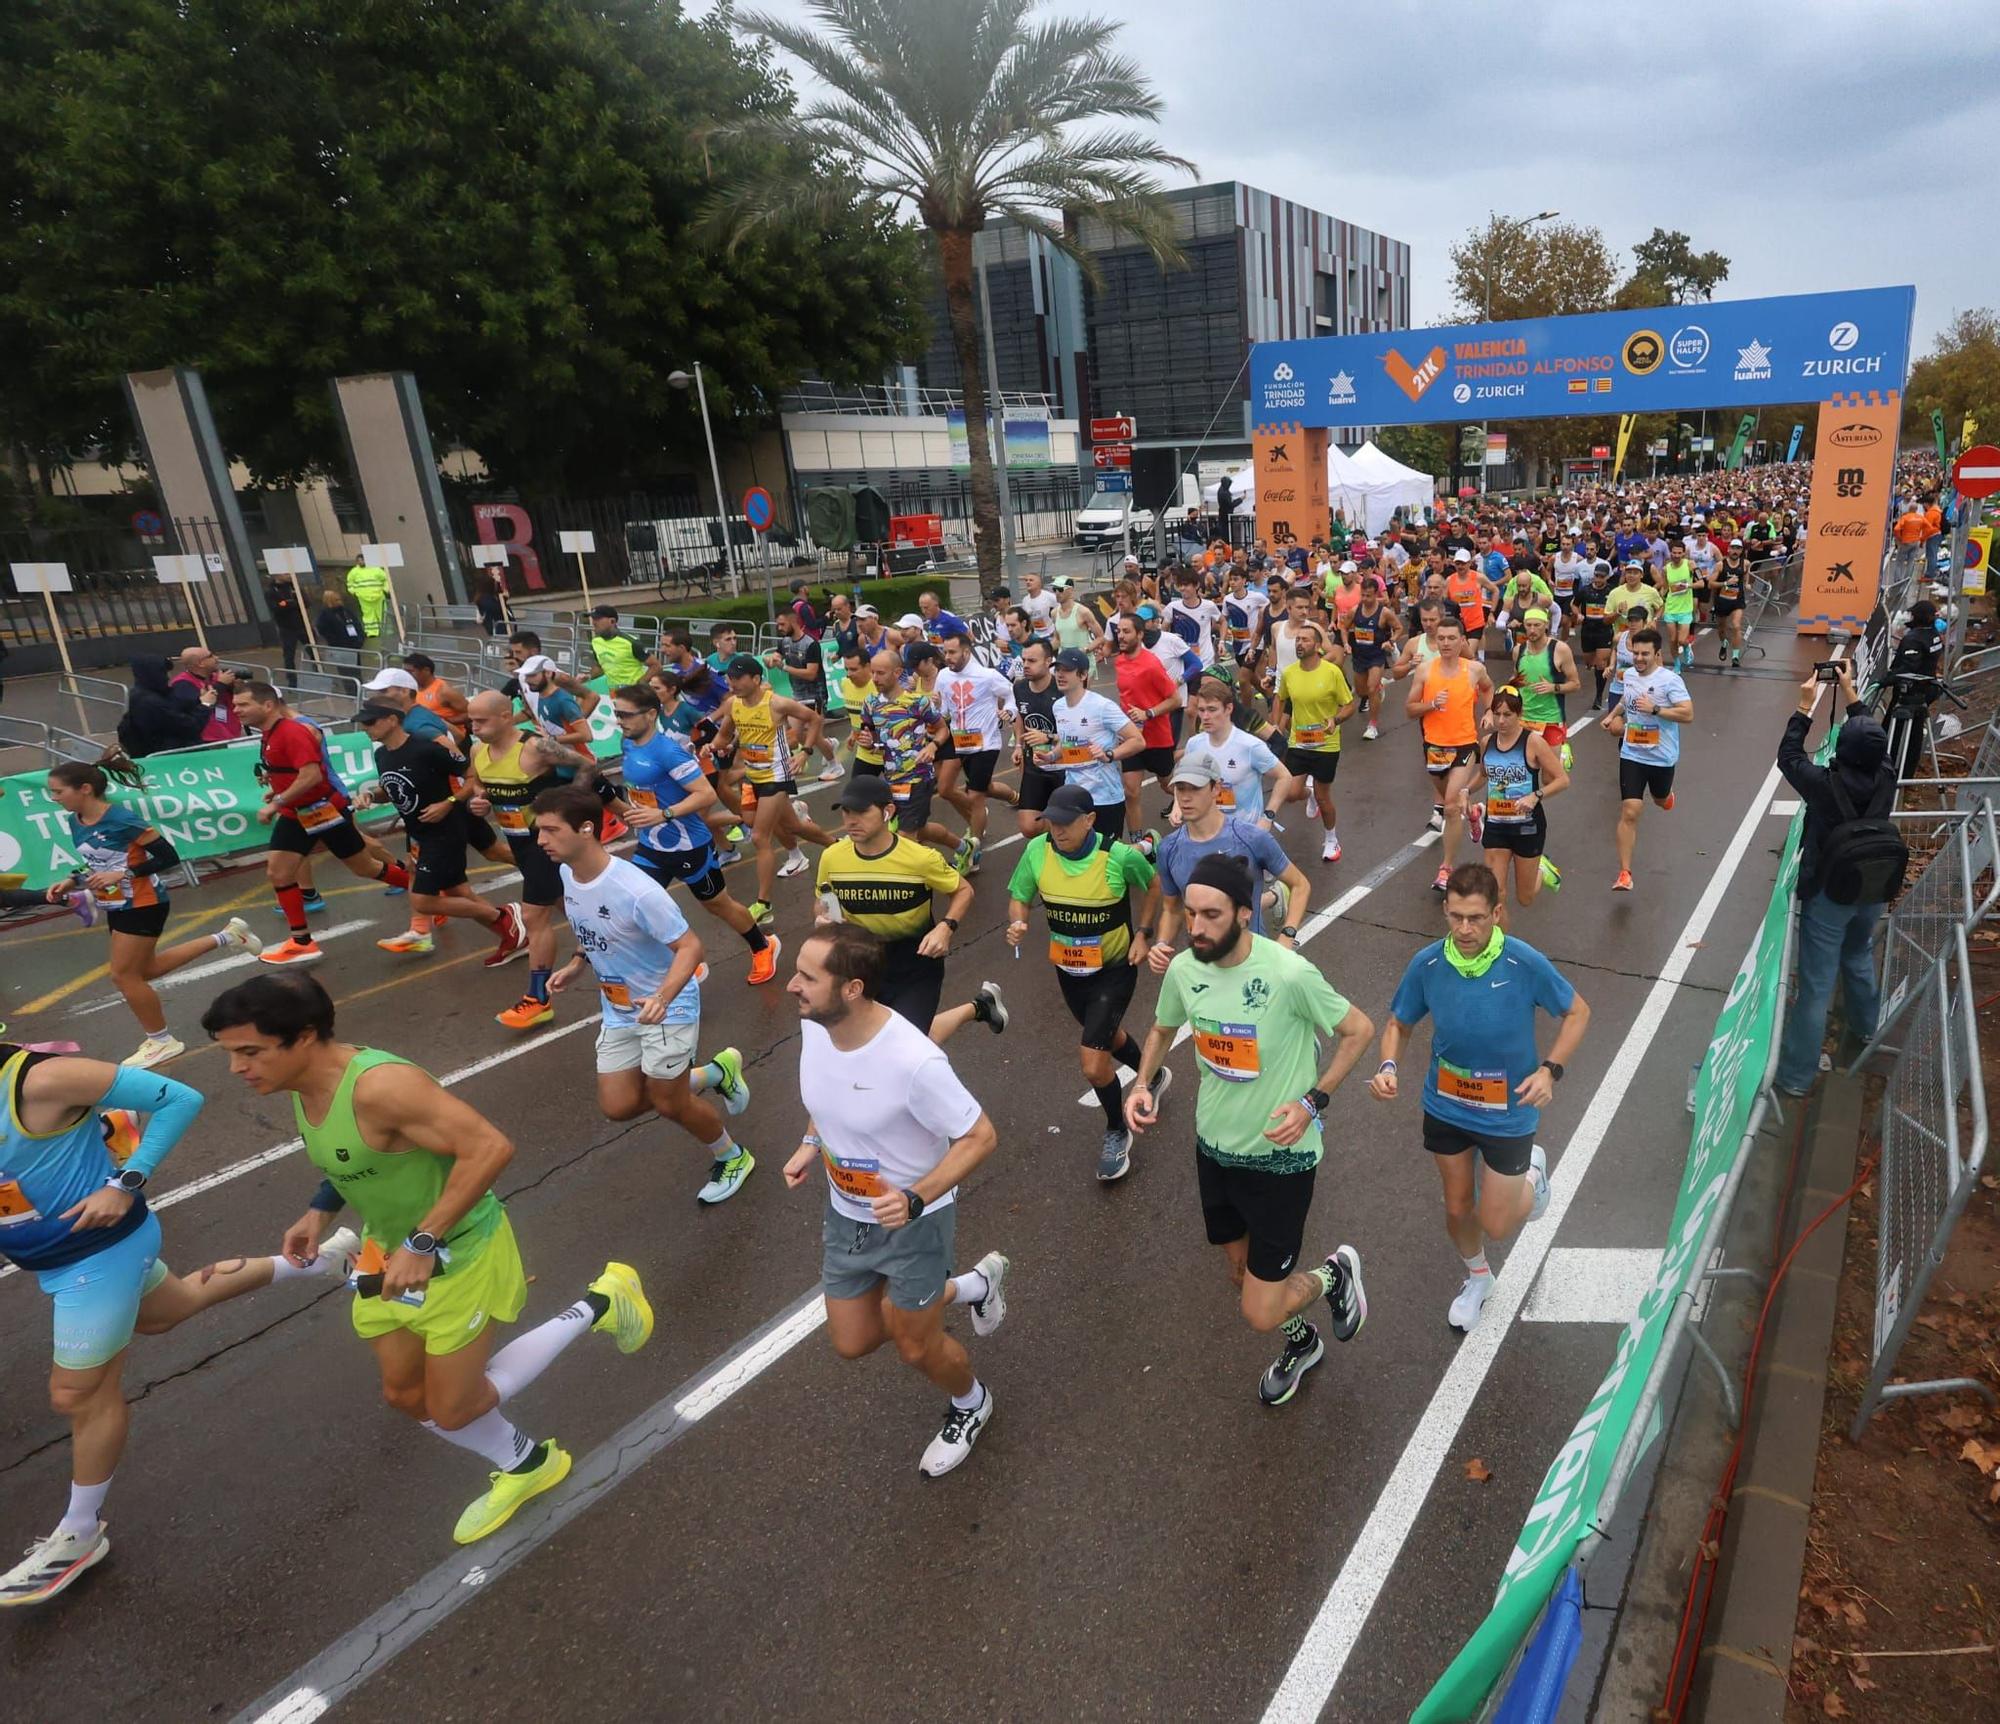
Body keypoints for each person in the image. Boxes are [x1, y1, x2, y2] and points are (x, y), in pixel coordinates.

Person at [206, 974, 654, 1544]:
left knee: (453, 1409)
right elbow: (356, 1158)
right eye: (231, 1054)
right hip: (386, 1256)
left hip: (458, 1251)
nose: (237, 1068)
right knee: (404, 1392)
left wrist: (423, 1241)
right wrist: (318, 1213)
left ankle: (602, 1302)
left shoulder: (383, 1087)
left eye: (250, 1051)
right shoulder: (298, 1083)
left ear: (305, 1035)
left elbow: (490, 1147)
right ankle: (528, 1464)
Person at [0, 1040, 362, 1605]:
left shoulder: (41, 1079)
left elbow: (179, 1097)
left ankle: (80, 1532)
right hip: (58, 1260)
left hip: (99, 1256)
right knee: (170, 1308)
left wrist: (127, 1182)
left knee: (78, 1393)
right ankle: (325, 1263)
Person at [1124, 855, 1373, 1404]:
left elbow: (1358, 1029)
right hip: (1214, 1151)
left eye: (1211, 915)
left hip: (1282, 1161)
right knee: (1241, 1273)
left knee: (1259, 1311)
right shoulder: (1185, 970)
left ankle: (1334, 1275)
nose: (1196, 927)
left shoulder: (1288, 973)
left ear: (1244, 912)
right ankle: (1303, 1342)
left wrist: (1313, 1100)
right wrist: (1141, 1084)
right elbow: (1163, 1029)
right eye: (1191, 914)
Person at [783, 924, 1009, 1476]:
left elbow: (980, 1136)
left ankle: (971, 1402)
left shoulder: (914, 1062)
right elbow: (827, 1093)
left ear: (852, 989)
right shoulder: (816, 1024)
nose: (792, 985)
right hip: (847, 1215)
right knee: (852, 1340)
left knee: (915, 1345)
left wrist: (915, 1197)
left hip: (915, 1223)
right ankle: (973, 1286)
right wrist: (811, 1143)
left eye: (807, 977)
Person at [1370, 863, 1591, 1332]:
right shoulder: (1428, 964)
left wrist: (1550, 1070)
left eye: (1475, 918)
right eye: (1455, 917)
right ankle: (1478, 1278)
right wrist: (1388, 1066)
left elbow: (1577, 1012)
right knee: (1456, 1207)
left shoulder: (1524, 962)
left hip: (1508, 1114)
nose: (1465, 929)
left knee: (1497, 1223)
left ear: (1496, 912)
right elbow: (1398, 1023)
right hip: (1446, 1104)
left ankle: (1533, 1176)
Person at [533, 786, 755, 1205]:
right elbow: (588, 924)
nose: (541, 840)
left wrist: (663, 998)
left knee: (670, 1103)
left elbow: (690, 947)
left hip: (666, 1007)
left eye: (550, 830)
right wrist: (578, 962)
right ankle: (715, 1074)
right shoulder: (568, 874)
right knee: (618, 1106)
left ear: (586, 829)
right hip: (618, 1008)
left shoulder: (638, 890)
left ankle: (732, 1156)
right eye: (538, 830)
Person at [45, 758, 261, 1066]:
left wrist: (124, 874)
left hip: (144, 902)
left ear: (85, 789)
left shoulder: (122, 819)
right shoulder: (75, 820)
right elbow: (97, 862)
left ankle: (162, 1041)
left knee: (123, 975)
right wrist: (72, 880)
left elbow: (167, 857)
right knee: (146, 970)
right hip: (116, 903)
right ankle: (229, 936)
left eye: (58, 791)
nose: (54, 798)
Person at [1005, 782, 1164, 1181]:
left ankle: (1117, 1129)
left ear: (1090, 820)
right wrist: (1018, 921)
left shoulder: (1119, 856)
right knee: (1107, 1037)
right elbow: (1019, 895)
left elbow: (1153, 886)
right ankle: (1154, 1074)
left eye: (1065, 822)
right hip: (1069, 970)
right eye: (1051, 822)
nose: (1056, 830)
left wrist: (1144, 934)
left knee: (1094, 1064)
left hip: (1115, 968)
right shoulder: (1037, 850)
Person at [1774, 665, 1900, 1095]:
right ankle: (1866, 1029)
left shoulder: (1824, 784)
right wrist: (1851, 692)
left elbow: (1789, 757)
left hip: (1829, 892)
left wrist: (1804, 707)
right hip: (1873, 885)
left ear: (1841, 750)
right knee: (1859, 955)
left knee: (1816, 985)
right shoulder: (1887, 775)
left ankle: (1796, 1077)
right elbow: (1876, 742)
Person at [607, 682, 779, 984]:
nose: (620, 721)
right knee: (639, 906)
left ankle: (763, 945)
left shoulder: (669, 753)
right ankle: (685, 962)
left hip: (690, 846)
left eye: (626, 715)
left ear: (650, 714)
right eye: (617, 714)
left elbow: (705, 794)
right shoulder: (628, 744)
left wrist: (663, 814)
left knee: (717, 905)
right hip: (651, 846)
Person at [814, 775, 1008, 1042]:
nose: (851, 821)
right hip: (861, 965)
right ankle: (981, 1007)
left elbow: (963, 890)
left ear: (888, 811)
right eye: (846, 812)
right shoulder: (832, 857)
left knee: (903, 1042)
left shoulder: (920, 858)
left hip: (915, 967)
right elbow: (822, 900)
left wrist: (946, 927)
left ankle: (976, 1009)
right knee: (877, 1041)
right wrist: (822, 918)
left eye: (861, 812)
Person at [233, 681, 413, 965]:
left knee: (365, 867)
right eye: (235, 705)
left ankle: (428, 890)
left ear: (267, 705)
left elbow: (312, 776)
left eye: (243, 704)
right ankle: (301, 942)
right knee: (278, 872)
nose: (236, 710)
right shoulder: (269, 733)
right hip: (296, 813)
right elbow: (293, 771)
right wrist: (278, 788)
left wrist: (276, 803)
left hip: (323, 810)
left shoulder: (293, 731)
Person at [352, 701, 527, 961]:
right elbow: (391, 789)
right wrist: (370, 795)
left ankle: (504, 915)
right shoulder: (382, 755)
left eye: (370, 722)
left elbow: (471, 776)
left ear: (392, 720)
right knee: (458, 893)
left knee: (423, 901)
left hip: (444, 831)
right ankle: (512, 936)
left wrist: (449, 803)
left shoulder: (426, 748)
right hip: (417, 832)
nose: (365, 728)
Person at [463, 690, 585, 1028]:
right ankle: (635, 949)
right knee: (572, 905)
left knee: (533, 916)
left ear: (505, 717)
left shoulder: (535, 748)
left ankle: (537, 998)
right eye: (471, 721)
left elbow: (585, 766)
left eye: (481, 721)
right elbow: (481, 786)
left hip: (546, 842)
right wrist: (480, 802)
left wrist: (568, 811)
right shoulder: (477, 750)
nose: (474, 728)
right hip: (518, 841)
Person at [1149, 757, 1310, 963]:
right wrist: (1161, 943)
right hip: (1204, 961)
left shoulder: (1251, 838)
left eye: (1195, 789)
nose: (1186, 798)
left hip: (1252, 959)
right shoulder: (1168, 848)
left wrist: (1287, 937)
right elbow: (1171, 909)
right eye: (1180, 789)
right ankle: (1273, 897)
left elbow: (1300, 884)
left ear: (1216, 789)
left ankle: (1274, 896)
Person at [712, 654, 835, 920]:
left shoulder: (777, 703)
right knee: (790, 826)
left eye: (738, 678)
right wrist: (714, 747)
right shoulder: (733, 704)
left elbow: (814, 719)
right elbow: (723, 735)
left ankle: (764, 904)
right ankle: (836, 845)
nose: (732, 683)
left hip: (776, 777)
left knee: (759, 837)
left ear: (756, 679)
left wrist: (805, 752)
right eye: (730, 678)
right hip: (752, 777)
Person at [1602, 627, 1693, 891]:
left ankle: (1666, 797)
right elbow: (1626, 700)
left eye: (1645, 654)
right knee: (1630, 810)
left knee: (1659, 799)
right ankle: (1625, 873)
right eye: (1636, 653)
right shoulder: (1629, 675)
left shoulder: (1670, 681)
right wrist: (1612, 716)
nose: (1639, 658)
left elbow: (1687, 714)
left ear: (1656, 654)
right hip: (1632, 752)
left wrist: (1656, 709)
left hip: (1661, 757)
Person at [1408, 615, 1493, 889]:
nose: (1445, 643)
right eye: (1441, 638)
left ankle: (1446, 869)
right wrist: (1431, 704)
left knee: (1451, 807)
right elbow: (1410, 709)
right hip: (1433, 746)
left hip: (1464, 745)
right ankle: (1474, 811)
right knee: (1451, 801)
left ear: (1462, 641)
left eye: (1451, 638)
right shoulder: (1425, 671)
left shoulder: (1474, 669)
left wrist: (1489, 711)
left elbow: (1488, 688)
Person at [1031, 646, 1145, 841]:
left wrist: (1109, 755)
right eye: (1057, 670)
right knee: (1073, 852)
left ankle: (1146, 845)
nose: (1060, 675)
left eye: (1067, 670)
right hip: (1073, 796)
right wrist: (1050, 756)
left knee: (1104, 855)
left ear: (1083, 675)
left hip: (1105, 797)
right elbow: (1067, 742)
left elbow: (1138, 740)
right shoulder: (1058, 707)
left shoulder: (1102, 706)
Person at [1479, 687, 1570, 926]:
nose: (1501, 720)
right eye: (1497, 714)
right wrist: (1465, 792)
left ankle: (1542, 869)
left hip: (1528, 828)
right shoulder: (1487, 742)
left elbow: (1562, 780)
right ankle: (1500, 945)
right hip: (1496, 826)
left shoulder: (1533, 742)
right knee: (1495, 895)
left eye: (1507, 715)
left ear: (1519, 714)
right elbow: (1483, 775)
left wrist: (1536, 795)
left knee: (1525, 898)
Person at [1270, 620, 1356, 864]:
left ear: (1318, 645)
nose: (1299, 643)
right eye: (1297, 640)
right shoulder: (1290, 673)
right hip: (1298, 742)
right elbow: (1281, 698)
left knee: (1323, 797)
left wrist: (1335, 720)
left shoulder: (1332, 672)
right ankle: (1307, 793)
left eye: (1305, 640)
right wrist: (1276, 725)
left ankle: (1331, 839)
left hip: (1326, 744)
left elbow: (1349, 705)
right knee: (1290, 793)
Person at [932, 630, 1017, 873]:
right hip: (959, 742)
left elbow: (1011, 694)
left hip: (985, 744)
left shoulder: (987, 676)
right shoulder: (943, 676)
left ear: (966, 652)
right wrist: (937, 706)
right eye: (945, 652)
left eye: (952, 652)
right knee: (969, 789)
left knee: (976, 796)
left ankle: (972, 853)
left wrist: (1009, 712)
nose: (947, 657)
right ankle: (1013, 797)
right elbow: (944, 712)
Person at [1110, 613, 1181, 851]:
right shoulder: (1119, 661)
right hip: (1132, 738)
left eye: (1126, 631)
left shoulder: (1151, 664)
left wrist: (1148, 713)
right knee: (1131, 792)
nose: (1120, 636)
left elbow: (1175, 699)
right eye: (1119, 631)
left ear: (1140, 635)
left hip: (1157, 737)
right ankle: (1138, 845)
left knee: (1167, 784)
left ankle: (1199, 806)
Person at [1177, 678, 1291, 828]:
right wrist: (1177, 807)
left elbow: (1284, 777)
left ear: (1228, 709)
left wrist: (1268, 817)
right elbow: (1183, 780)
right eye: (1201, 710)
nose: (1205, 717)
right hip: (1207, 830)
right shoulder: (1194, 744)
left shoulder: (1250, 746)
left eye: (1212, 710)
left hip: (1245, 832)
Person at [1509, 607, 1580, 771]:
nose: (1532, 630)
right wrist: (1509, 688)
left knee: (1550, 776)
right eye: (1528, 625)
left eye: (1537, 625)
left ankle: (1563, 749)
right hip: (1524, 719)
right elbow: (1516, 677)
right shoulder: (1518, 650)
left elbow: (1575, 684)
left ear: (1546, 625)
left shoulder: (1560, 649)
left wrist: (1553, 687)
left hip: (1551, 719)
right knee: (1524, 771)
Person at [116, 656, 209, 759]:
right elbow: (189, 726)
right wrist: (205, 704)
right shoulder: (152, 703)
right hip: (169, 755)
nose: (169, 677)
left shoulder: (140, 693)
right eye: (165, 672)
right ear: (155, 674)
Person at [169, 647, 243, 744]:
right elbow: (200, 706)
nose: (216, 658)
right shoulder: (182, 684)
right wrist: (221, 684)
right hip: (211, 738)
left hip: (231, 731)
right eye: (211, 656)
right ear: (201, 663)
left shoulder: (217, 676)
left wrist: (235, 686)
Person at [587, 605, 656, 687]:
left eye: (597, 619)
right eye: (593, 619)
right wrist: (588, 677)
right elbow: (599, 666)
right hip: (613, 691)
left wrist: (640, 684)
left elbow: (655, 666)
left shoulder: (631, 642)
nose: (594, 622)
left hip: (633, 691)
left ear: (612, 621)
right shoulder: (595, 642)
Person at [265, 576, 312, 672]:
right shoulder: (271, 591)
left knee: (313, 650)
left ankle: (319, 672)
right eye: (285, 573)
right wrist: (291, 604)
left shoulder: (294, 587)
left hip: (302, 624)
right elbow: (276, 608)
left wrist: (287, 604)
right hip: (286, 627)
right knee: (289, 655)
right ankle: (291, 677)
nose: (288, 575)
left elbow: (306, 603)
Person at [344, 554, 392, 639]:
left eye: (362, 560)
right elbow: (350, 583)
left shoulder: (376, 569)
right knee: (368, 615)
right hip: (364, 598)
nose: (361, 562)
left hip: (378, 596)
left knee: (383, 613)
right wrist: (353, 592)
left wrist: (385, 589)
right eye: (359, 561)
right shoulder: (353, 572)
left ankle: (387, 630)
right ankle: (372, 632)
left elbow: (386, 579)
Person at [315, 585, 364, 650]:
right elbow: (323, 630)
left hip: (354, 644)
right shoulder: (325, 615)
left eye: (340, 599)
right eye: (336, 600)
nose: (340, 602)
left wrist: (360, 638)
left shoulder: (346, 611)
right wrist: (335, 641)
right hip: (339, 647)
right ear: (330, 601)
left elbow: (357, 624)